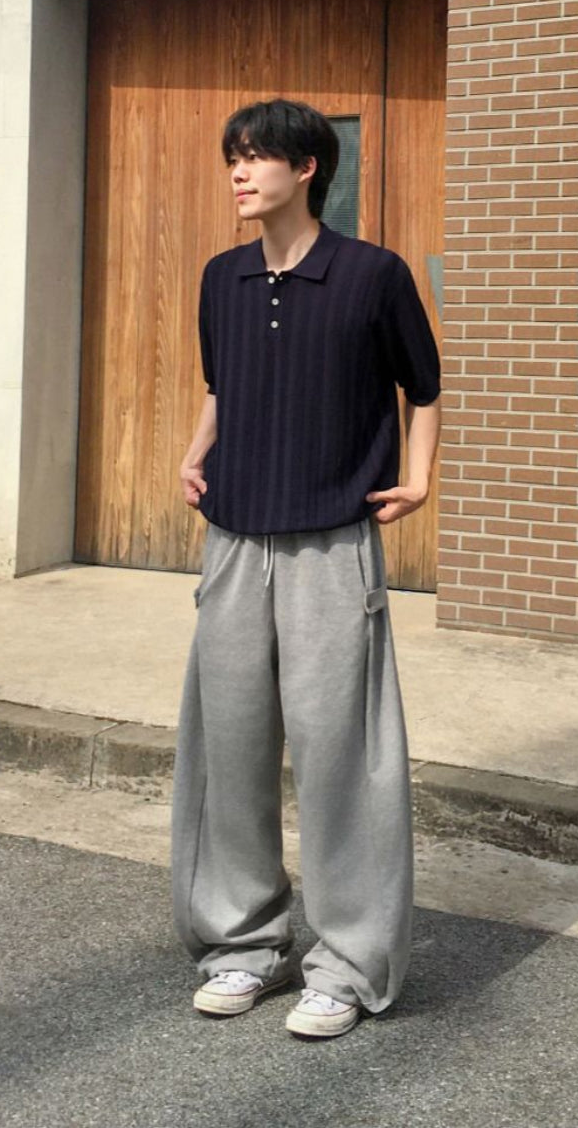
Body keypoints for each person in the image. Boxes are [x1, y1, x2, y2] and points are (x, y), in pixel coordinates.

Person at [171, 98, 441, 1040]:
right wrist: (196, 448)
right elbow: (223, 385)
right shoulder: (222, 277)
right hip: (234, 539)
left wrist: (418, 478)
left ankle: (347, 962)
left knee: (340, 757)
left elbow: (424, 385)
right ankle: (240, 942)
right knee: (230, 745)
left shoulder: (372, 274)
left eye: (257, 157)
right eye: (234, 158)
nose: (240, 173)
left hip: (333, 539)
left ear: (308, 168)